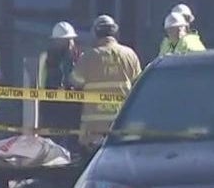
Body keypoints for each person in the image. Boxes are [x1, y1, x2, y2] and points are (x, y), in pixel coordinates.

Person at [71, 15, 141, 150]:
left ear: (95, 33)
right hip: (121, 124)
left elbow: (75, 81)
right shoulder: (129, 54)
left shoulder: (88, 57)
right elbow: (138, 84)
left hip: (93, 129)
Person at [38, 22, 82, 147]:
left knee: (72, 138)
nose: (66, 43)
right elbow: (41, 82)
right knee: (52, 140)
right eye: (63, 40)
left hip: (73, 105)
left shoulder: (80, 57)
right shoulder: (46, 57)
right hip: (52, 106)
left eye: (68, 40)